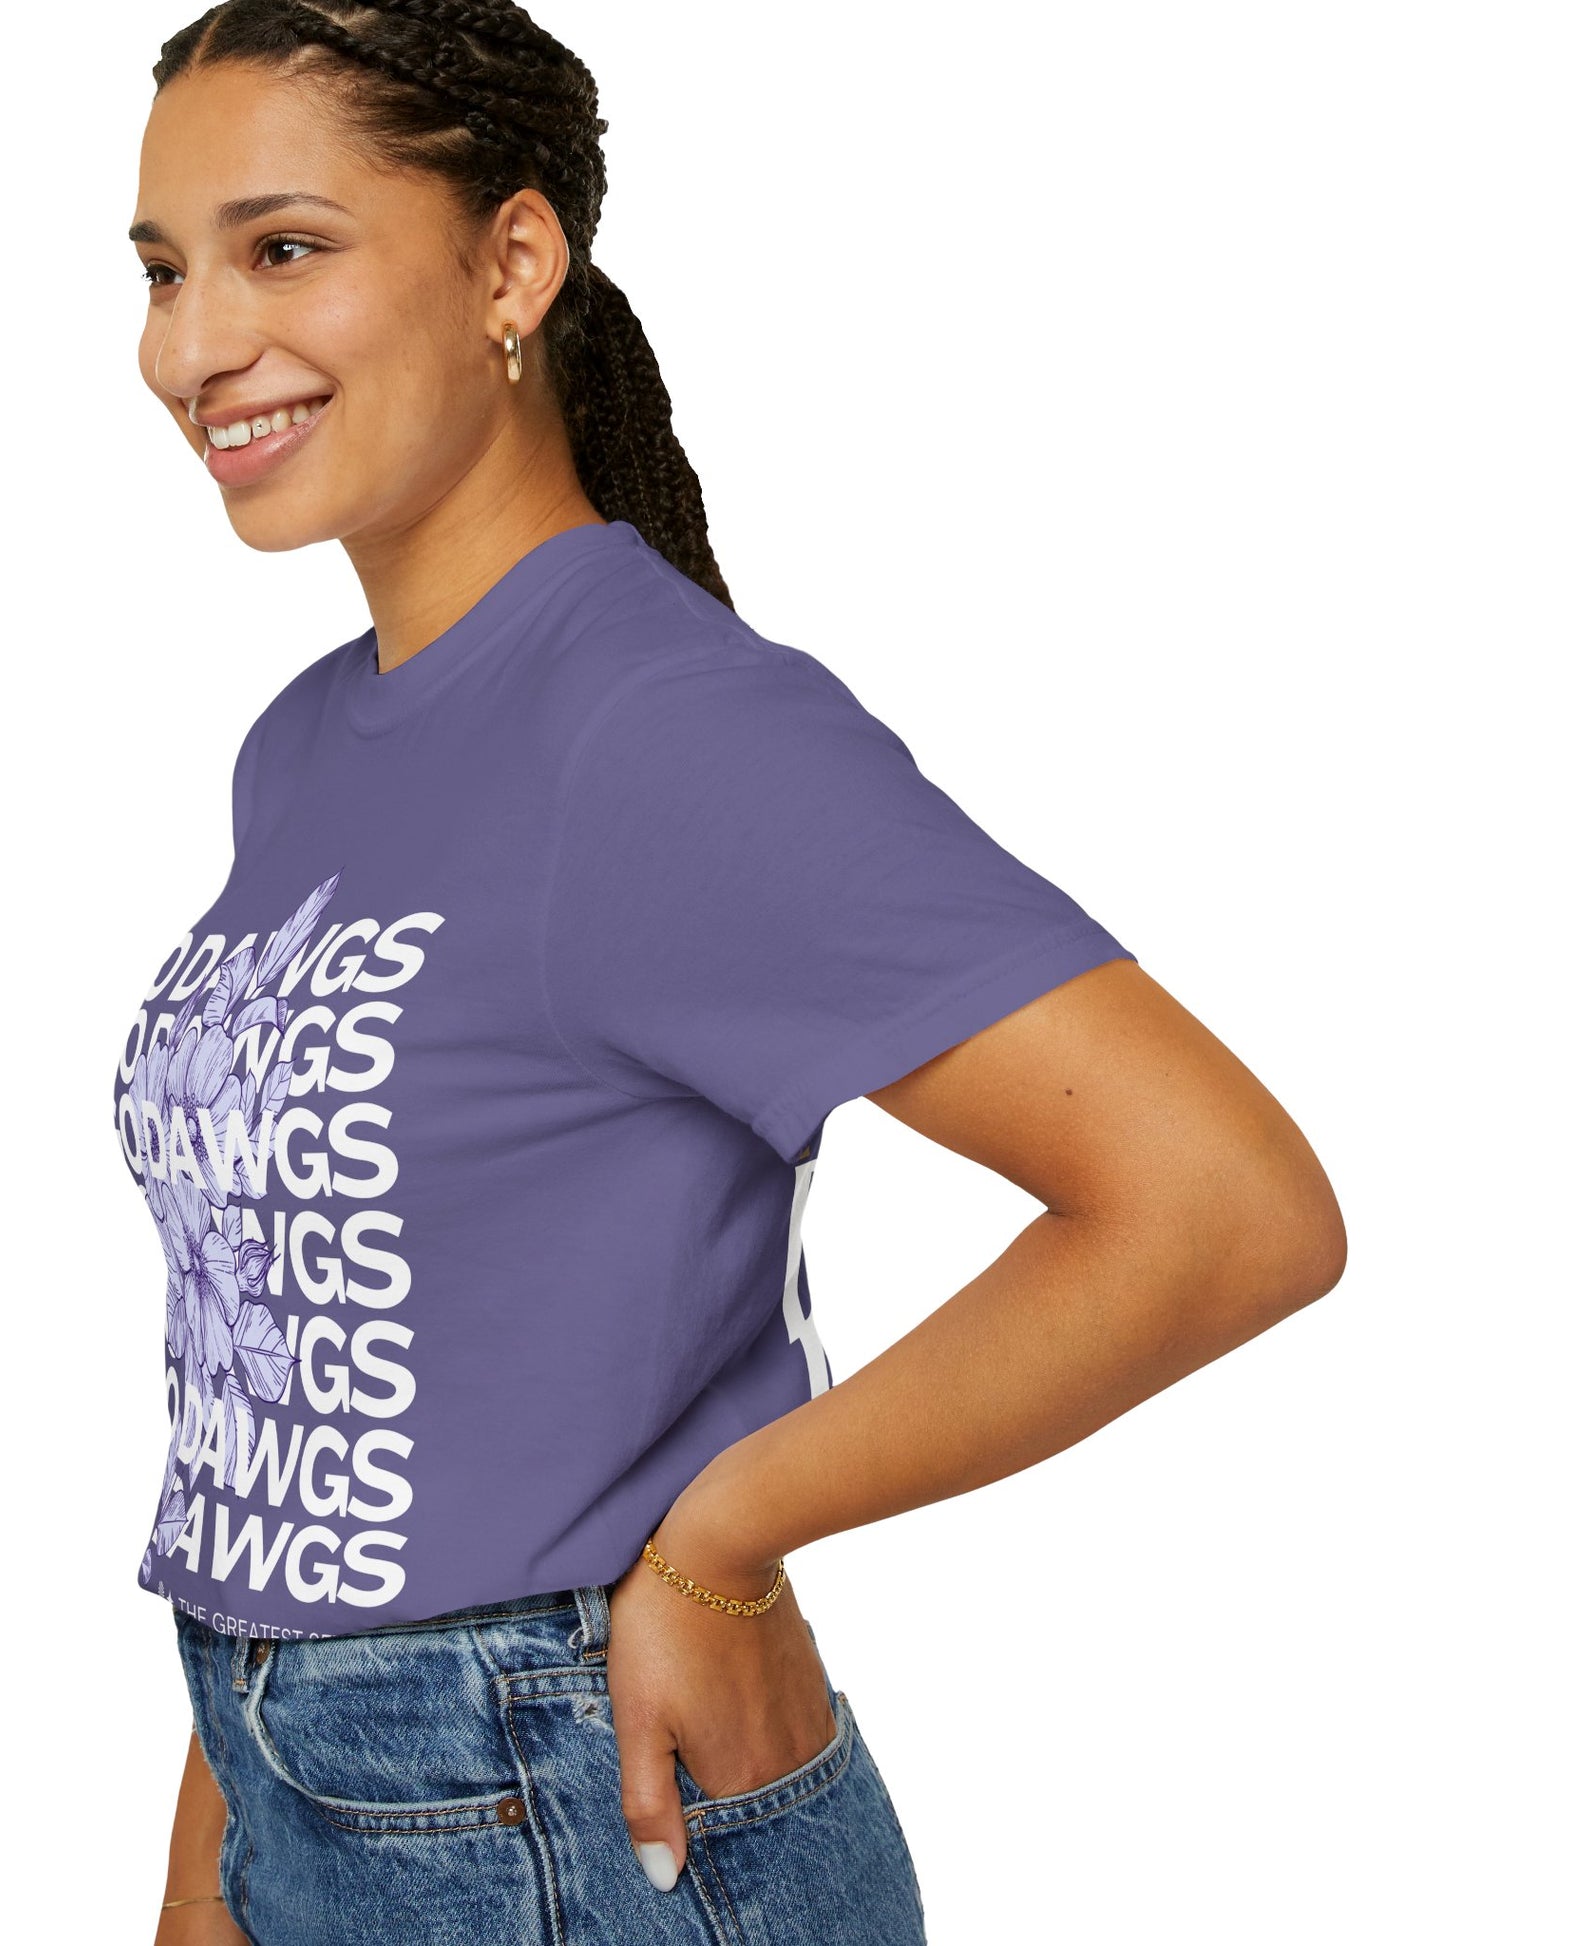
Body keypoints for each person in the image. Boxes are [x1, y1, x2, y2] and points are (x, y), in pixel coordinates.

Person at [112, 6, 1347, 1942]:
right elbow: (309, 1405)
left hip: (579, 1829)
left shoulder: (659, 731)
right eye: (163, 270)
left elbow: (1224, 1205)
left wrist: (724, 1533)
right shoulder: (304, 750)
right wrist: (215, 1874)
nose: (192, 347)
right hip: (292, 1796)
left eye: (283, 250)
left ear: (512, 263)